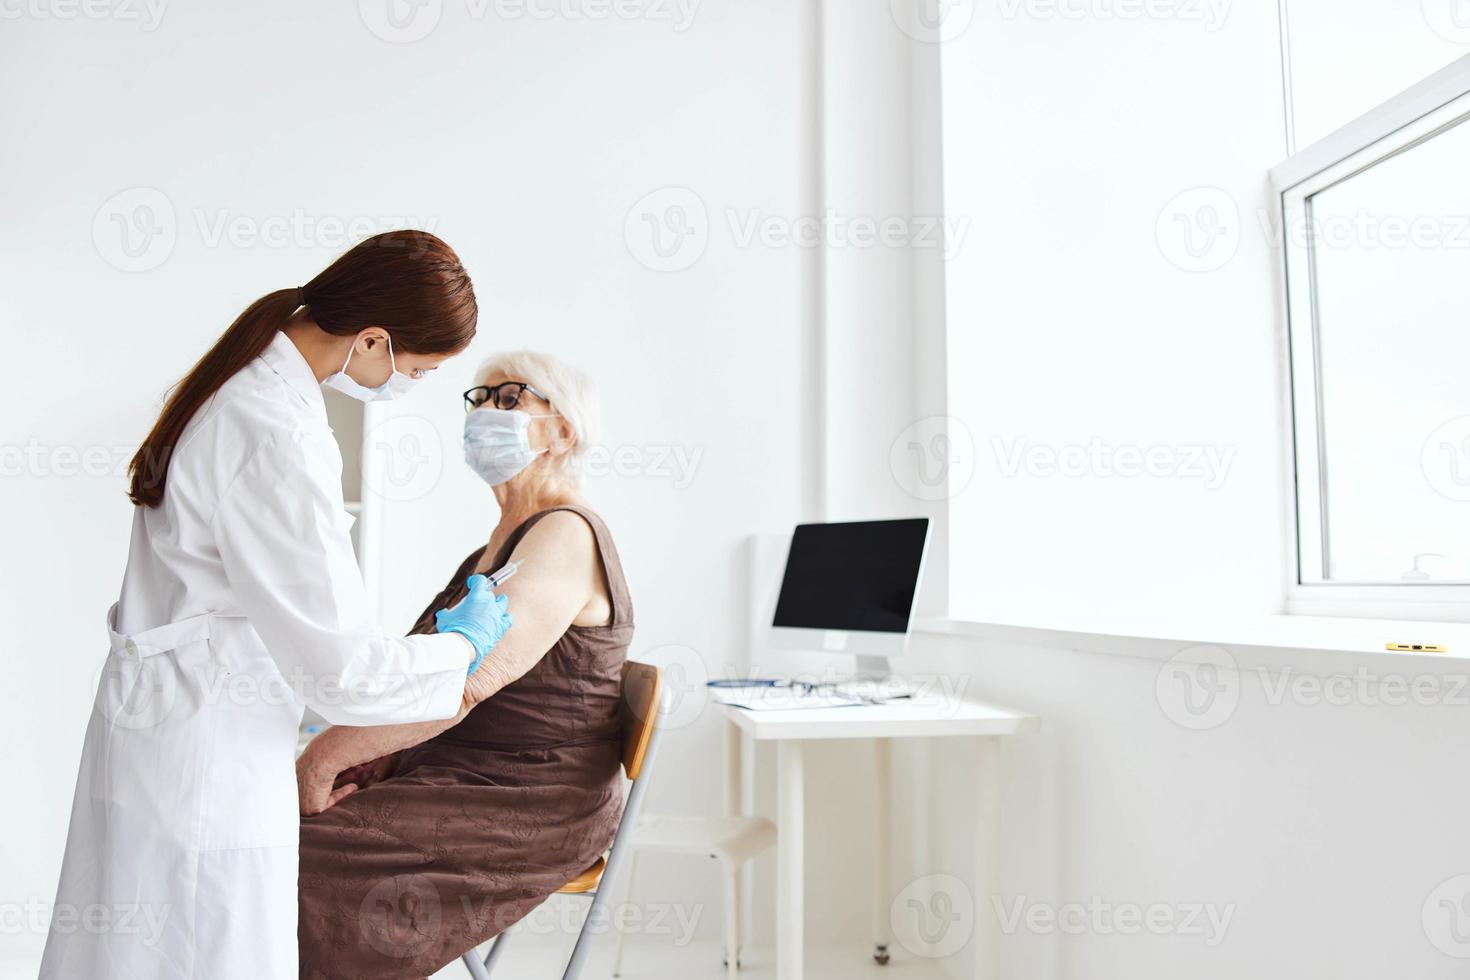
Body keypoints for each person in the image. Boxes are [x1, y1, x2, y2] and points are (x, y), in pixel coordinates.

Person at [41, 232, 516, 980]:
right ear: (370, 341)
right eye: (417, 371)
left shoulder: (238, 386)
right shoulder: (276, 431)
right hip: (204, 753)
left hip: (171, 726)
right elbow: (344, 669)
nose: (409, 386)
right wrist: (460, 648)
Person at [294, 350, 634, 980]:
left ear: (563, 430)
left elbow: (467, 683)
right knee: (258, 826)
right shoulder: (496, 545)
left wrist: (322, 760)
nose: (486, 415)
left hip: (532, 797)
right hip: (459, 770)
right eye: (478, 401)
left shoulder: (564, 534)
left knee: (292, 856)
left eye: (510, 399)